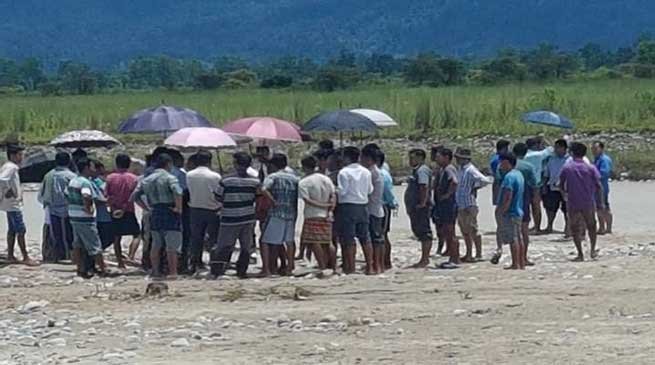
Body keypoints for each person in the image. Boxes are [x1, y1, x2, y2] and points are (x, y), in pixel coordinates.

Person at [131, 153, 183, 279]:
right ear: (168, 164)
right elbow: (178, 192)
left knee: (156, 244)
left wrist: (146, 208)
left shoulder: (147, 179)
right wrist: (178, 208)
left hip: (155, 211)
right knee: (172, 245)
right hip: (169, 211)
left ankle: (155, 271)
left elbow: (134, 197)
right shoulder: (170, 178)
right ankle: (173, 272)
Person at [210, 152, 261, 278]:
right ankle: (242, 271)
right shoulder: (255, 181)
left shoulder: (226, 180)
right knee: (246, 246)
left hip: (229, 218)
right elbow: (257, 197)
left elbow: (218, 197)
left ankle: (219, 269)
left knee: (224, 245)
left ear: (236, 164)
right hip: (248, 217)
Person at [560, 142, 603, 262]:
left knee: (575, 228)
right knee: (591, 226)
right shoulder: (590, 167)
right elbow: (599, 185)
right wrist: (601, 202)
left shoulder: (567, 168)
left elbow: (561, 185)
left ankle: (580, 253)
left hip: (573, 202)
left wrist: (565, 195)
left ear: (572, 153)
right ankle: (593, 250)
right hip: (588, 201)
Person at [336, 146, 374, 274]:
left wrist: (333, 190)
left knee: (349, 238)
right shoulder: (366, 172)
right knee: (365, 237)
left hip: (347, 206)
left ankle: (351, 267)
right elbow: (370, 190)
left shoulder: (343, 172)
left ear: (346, 157)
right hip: (363, 205)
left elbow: (342, 191)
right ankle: (370, 266)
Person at [67, 158, 107, 278]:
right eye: (92, 167)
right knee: (94, 244)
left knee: (78, 243)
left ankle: (80, 269)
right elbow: (86, 195)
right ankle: (103, 269)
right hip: (85, 217)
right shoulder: (85, 182)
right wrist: (88, 208)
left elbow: (66, 194)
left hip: (74, 215)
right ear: (86, 168)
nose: (94, 170)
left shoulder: (73, 181)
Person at [260, 153, 299, 275]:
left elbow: (263, 189)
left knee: (265, 241)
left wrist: (273, 201)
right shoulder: (294, 178)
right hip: (290, 213)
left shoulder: (273, 177)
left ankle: (266, 269)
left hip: (276, 213)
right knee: (289, 241)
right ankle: (289, 268)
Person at [298, 155, 336, 272]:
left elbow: (307, 200)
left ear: (304, 167)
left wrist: (323, 206)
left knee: (315, 242)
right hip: (326, 215)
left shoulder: (304, 182)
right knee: (328, 242)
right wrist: (330, 209)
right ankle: (334, 267)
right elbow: (333, 196)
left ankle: (322, 266)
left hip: (312, 214)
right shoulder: (326, 179)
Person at [186, 150, 222, 273]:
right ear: (209, 161)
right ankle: (214, 264)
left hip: (195, 209)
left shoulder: (189, 175)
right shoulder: (215, 176)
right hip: (212, 210)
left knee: (196, 238)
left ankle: (195, 263)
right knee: (213, 239)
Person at [0, 144, 36, 265]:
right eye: (20, 155)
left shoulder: (8, 166)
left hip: (10, 204)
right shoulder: (12, 167)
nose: (22, 157)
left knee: (12, 229)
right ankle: (25, 256)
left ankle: (10, 255)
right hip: (13, 204)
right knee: (21, 229)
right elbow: (2, 179)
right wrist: (8, 190)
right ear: (13, 155)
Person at [455, 148, 492, 263]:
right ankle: (469, 253)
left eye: (458, 158)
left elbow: (485, 180)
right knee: (465, 231)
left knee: (473, 230)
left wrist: (475, 187)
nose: (456, 160)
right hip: (460, 204)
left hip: (469, 204)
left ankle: (479, 253)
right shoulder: (460, 170)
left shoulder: (471, 170)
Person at [39, 151, 77, 262]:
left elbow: (41, 195)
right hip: (69, 209)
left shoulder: (48, 175)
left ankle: (56, 256)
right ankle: (70, 255)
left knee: (55, 234)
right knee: (69, 233)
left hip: (52, 210)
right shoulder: (72, 176)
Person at [106, 153, 141, 268]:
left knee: (116, 237)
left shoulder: (110, 178)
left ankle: (120, 263)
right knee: (137, 235)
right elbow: (135, 196)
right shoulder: (134, 178)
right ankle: (131, 256)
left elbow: (107, 195)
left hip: (115, 211)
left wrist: (115, 208)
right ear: (129, 164)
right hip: (129, 210)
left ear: (116, 164)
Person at [495, 153, 525, 270]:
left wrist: (502, 210)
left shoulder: (509, 177)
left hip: (510, 212)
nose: (500, 165)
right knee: (518, 237)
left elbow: (508, 196)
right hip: (518, 211)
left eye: (501, 162)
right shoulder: (518, 174)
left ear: (507, 162)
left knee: (513, 239)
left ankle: (515, 263)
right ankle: (521, 263)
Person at [405, 148, 433, 268]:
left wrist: (422, 203)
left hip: (420, 207)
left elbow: (424, 187)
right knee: (419, 231)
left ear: (421, 158)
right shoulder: (416, 171)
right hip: (415, 207)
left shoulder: (422, 171)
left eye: (413, 158)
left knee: (424, 232)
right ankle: (424, 258)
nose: (411, 160)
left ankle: (425, 259)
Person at [511, 143, 538, 266]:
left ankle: (515, 259)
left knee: (513, 232)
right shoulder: (528, 167)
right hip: (524, 200)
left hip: (510, 201)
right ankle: (524, 257)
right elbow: (534, 184)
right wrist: (536, 202)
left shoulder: (508, 166)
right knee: (524, 231)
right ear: (526, 153)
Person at [361, 144, 385, 274]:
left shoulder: (371, 173)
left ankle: (376, 265)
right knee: (378, 239)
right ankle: (379, 265)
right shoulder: (376, 172)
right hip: (377, 208)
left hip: (372, 209)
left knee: (374, 239)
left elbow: (367, 192)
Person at [433, 148, 460, 268]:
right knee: (446, 231)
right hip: (444, 206)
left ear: (446, 157)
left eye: (439, 157)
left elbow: (454, 182)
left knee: (450, 232)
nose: (436, 159)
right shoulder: (442, 169)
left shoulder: (449, 169)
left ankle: (455, 258)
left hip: (449, 206)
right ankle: (451, 255)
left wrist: (447, 195)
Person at [524, 137, 553, 232]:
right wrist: (545, 141)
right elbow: (551, 149)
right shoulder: (538, 155)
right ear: (536, 145)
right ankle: (537, 227)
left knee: (525, 205)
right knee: (536, 206)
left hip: (524, 183)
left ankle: (525, 226)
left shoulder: (524, 155)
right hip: (535, 184)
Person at [543, 139, 569, 235]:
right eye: (555, 147)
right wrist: (545, 185)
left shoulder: (569, 160)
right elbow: (547, 172)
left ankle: (567, 227)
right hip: (553, 186)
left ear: (564, 148)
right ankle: (549, 226)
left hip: (566, 188)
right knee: (550, 208)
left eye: (558, 147)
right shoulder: (552, 159)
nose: (556, 150)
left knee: (566, 208)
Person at [377, 151, 397, 270]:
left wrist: (391, 203)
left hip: (383, 206)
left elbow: (388, 193)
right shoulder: (380, 172)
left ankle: (386, 261)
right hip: (381, 206)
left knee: (383, 235)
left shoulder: (382, 174)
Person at [90, 160, 113, 252]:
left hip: (99, 215)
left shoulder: (92, 181)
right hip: (104, 215)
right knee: (108, 238)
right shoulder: (98, 181)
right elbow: (106, 193)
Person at [592, 142, 613, 235]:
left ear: (601, 149)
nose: (593, 150)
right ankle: (602, 227)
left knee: (603, 207)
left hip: (602, 187)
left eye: (596, 148)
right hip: (596, 187)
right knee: (599, 207)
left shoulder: (604, 159)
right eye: (593, 148)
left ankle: (607, 228)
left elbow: (604, 172)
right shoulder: (596, 159)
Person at [490, 139, 511, 206]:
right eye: (506, 148)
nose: (507, 150)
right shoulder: (497, 160)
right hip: (500, 185)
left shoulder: (497, 158)